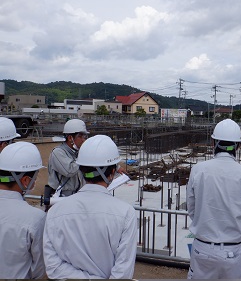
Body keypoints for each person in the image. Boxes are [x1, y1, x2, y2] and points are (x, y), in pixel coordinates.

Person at [43, 134, 138, 279]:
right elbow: (123, 272)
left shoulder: (55, 212)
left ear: (81, 170)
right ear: (112, 173)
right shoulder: (125, 213)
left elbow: (53, 268)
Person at [186, 119, 241, 279]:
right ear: (238, 146)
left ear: (213, 143)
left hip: (203, 249)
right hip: (233, 251)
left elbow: (192, 210)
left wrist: (207, 223)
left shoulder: (198, 170)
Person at [0, 142, 46, 279]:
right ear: (25, 180)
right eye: (35, 177)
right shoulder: (35, 218)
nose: (35, 181)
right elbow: (39, 269)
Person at [47, 118, 89, 196]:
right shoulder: (58, 152)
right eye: (80, 136)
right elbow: (70, 170)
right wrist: (85, 155)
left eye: (85, 136)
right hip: (60, 197)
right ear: (70, 138)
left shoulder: (77, 152)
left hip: (77, 195)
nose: (83, 140)